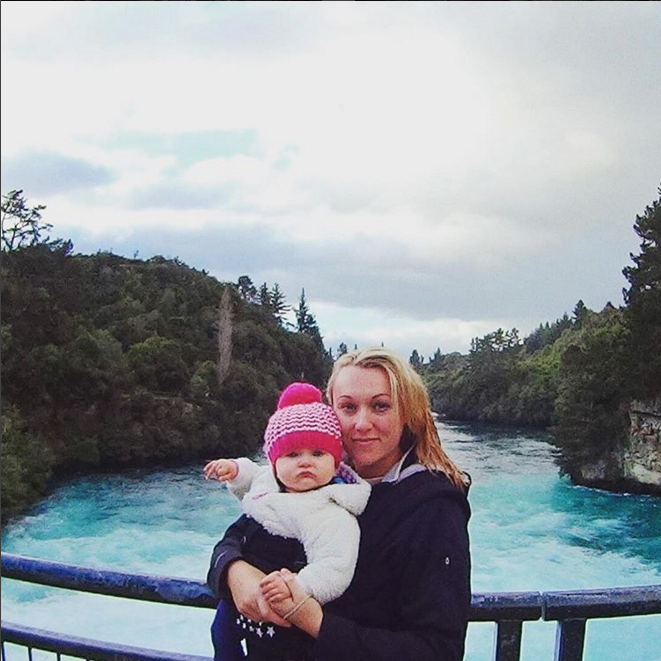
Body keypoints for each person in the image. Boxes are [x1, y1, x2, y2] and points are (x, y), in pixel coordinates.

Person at [207, 347, 472, 661]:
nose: (361, 423)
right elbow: (241, 532)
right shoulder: (317, 476)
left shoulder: (433, 508)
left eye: (380, 406)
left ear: (408, 414)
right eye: (348, 407)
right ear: (330, 411)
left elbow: (438, 650)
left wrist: (315, 622)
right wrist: (233, 572)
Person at [204, 382, 371, 661]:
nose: (305, 462)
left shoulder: (330, 512)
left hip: (281, 609)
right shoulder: (270, 482)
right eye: (293, 454)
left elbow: (335, 566)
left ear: (335, 462)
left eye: (317, 453)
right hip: (239, 599)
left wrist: (298, 586)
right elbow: (251, 475)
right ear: (275, 462)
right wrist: (234, 470)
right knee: (221, 634)